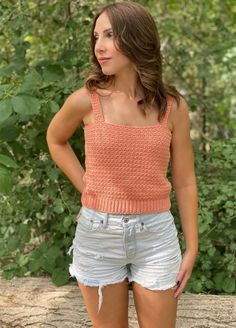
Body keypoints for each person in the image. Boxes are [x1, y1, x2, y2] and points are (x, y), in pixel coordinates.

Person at [46, 1, 198, 327]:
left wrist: (192, 247)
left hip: (156, 236)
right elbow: (55, 140)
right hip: (97, 235)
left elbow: (185, 182)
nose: (99, 46)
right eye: (96, 36)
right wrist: (86, 185)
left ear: (137, 38)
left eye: (110, 35)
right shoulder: (86, 100)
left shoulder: (172, 107)